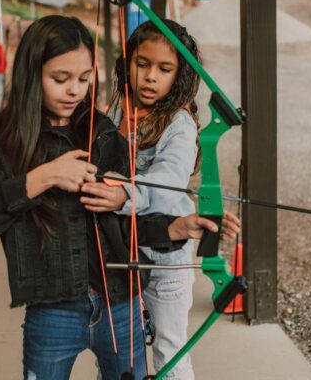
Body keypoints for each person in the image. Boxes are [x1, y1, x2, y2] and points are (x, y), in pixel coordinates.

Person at [0, 16, 239, 379]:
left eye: (84, 79)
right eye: (60, 79)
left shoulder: (101, 130)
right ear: (30, 74)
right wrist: (44, 177)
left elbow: (119, 224)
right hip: (52, 310)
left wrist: (176, 227)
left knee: (167, 350)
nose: (74, 91)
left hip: (120, 306)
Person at [80, 20, 209, 379]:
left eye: (164, 69)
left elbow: (168, 182)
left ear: (179, 76)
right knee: (118, 348)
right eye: (142, 64)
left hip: (166, 260)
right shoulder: (117, 109)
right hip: (121, 252)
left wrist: (122, 192)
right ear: (128, 64)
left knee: (169, 350)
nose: (151, 76)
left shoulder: (178, 124)